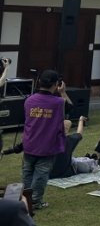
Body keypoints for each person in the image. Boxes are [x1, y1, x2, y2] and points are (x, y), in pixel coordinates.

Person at [22, 69, 70, 210]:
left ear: (39, 82)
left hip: (29, 143)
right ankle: (35, 202)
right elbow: (70, 109)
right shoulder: (58, 102)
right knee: (41, 175)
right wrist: (63, 92)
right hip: (47, 146)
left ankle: (25, 198)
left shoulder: (29, 100)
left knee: (27, 172)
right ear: (56, 84)